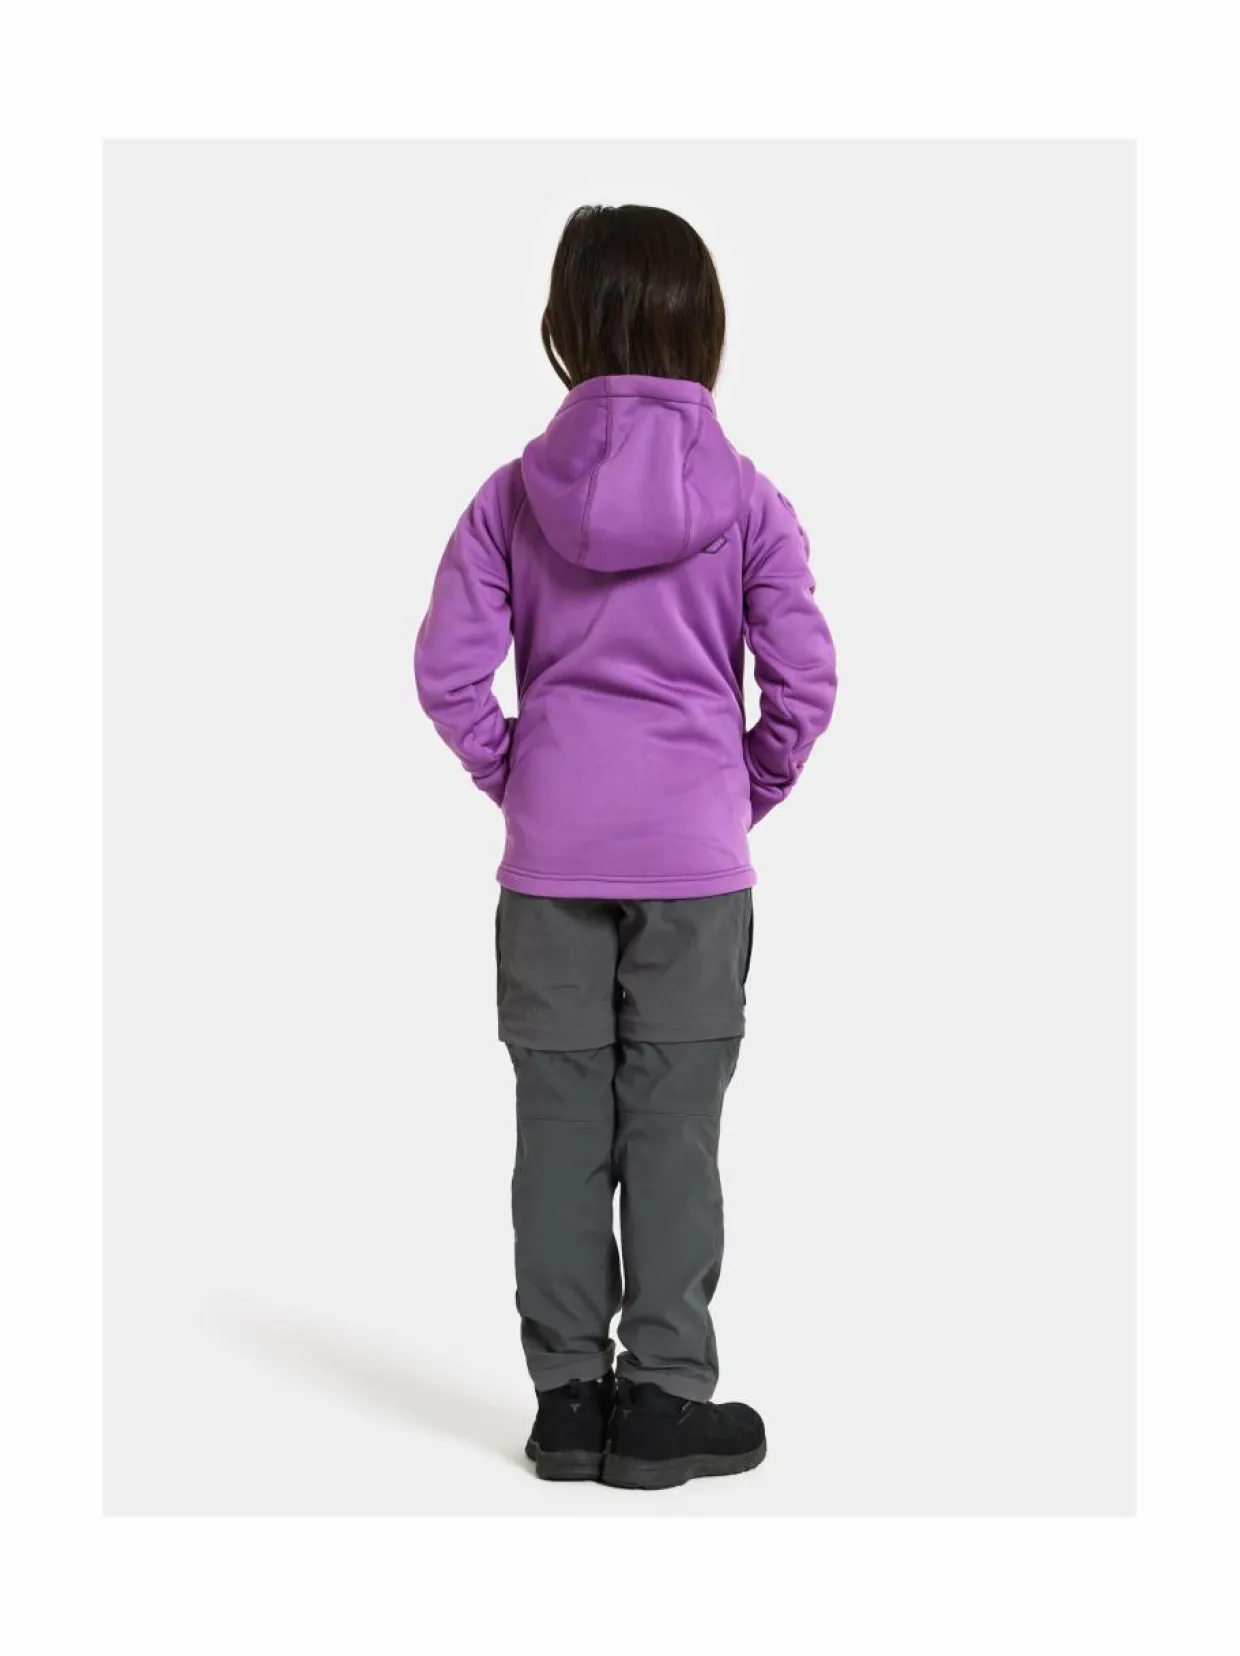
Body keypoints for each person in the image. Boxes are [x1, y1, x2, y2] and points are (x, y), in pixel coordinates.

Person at [415, 203, 837, 1490]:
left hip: (550, 865)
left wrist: (526, 780)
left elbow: (446, 674)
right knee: (674, 1132)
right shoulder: (749, 499)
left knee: (558, 1129)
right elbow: (805, 685)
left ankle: (563, 1405)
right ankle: (658, 1404)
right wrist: (731, 797)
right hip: (694, 871)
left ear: (564, 328)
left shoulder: (508, 498)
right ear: (705, 327)